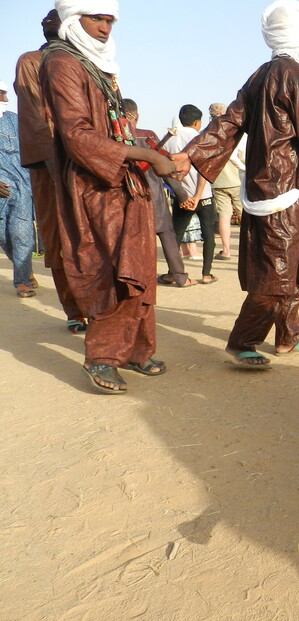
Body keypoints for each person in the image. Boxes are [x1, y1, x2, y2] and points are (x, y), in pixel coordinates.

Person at [172, 0, 299, 368]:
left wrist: (192, 152)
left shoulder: (260, 74)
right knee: (275, 272)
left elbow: (228, 123)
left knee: (296, 265)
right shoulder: (296, 75)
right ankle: (243, 340)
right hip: (280, 192)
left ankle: (288, 337)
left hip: (286, 190)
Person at [40, 0, 179, 393]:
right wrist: (148, 154)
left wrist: (154, 157)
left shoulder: (96, 65)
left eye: (109, 20)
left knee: (137, 268)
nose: (105, 27)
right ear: (73, 18)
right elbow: (77, 136)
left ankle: (137, 350)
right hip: (94, 185)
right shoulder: (62, 62)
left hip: (122, 181)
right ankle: (102, 357)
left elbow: (112, 128)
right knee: (109, 270)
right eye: (96, 18)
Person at [13, 10, 87, 328]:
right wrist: (60, 166)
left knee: (93, 236)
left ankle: (100, 306)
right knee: (58, 236)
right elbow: (35, 117)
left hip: (88, 162)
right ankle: (74, 310)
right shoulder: (31, 62)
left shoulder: (90, 64)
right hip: (52, 166)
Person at [123, 98, 195, 289]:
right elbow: (168, 170)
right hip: (153, 196)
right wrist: (183, 196)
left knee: (133, 239)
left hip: (127, 197)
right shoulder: (147, 136)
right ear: (136, 116)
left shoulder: (114, 139)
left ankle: (137, 278)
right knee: (167, 234)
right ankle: (180, 276)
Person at [164, 105, 218, 284]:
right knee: (208, 234)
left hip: (182, 196)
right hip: (203, 194)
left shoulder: (170, 140)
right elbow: (205, 170)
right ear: (197, 122)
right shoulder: (201, 139)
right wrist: (197, 195)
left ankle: (174, 273)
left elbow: (166, 170)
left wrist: (185, 196)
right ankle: (206, 274)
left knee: (176, 236)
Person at [0, 81, 37, 300]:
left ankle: (22, 281)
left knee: (21, 233)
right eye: (1, 95)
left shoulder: (15, 121)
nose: (4, 100)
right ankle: (25, 269)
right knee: (3, 237)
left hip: (21, 187)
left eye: (4, 95)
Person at [208, 102, 245, 260]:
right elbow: (236, 155)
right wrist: (244, 167)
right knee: (245, 214)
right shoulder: (231, 130)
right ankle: (251, 248)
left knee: (224, 216)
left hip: (217, 180)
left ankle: (226, 250)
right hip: (235, 179)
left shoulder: (208, 132)